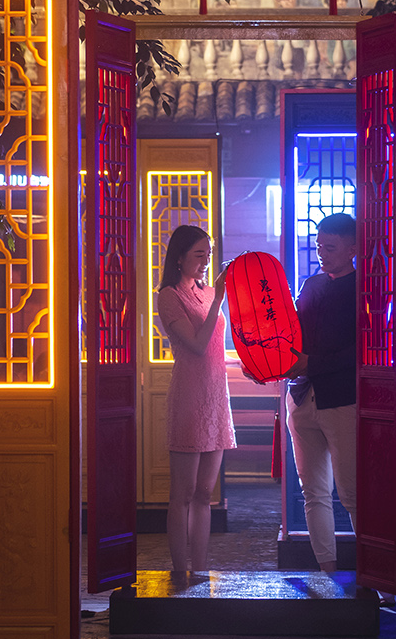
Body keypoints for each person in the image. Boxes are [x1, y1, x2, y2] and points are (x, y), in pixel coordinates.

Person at [157, 224, 236, 572]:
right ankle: (178, 570)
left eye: (208, 253)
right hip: (189, 398)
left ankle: (200, 570)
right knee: (183, 494)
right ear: (179, 257)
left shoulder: (206, 292)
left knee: (206, 493)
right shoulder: (169, 296)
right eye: (198, 254)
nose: (206, 261)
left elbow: (221, 344)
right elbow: (197, 345)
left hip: (216, 396)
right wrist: (219, 298)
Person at [286, 211, 357, 574]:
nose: (322, 253)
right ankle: (328, 572)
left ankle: (379, 578)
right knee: (313, 492)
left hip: (341, 398)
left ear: (353, 249)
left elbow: (358, 353)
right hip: (300, 396)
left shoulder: (363, 291)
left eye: (330, 247)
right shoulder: (312, 285)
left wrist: (308, 364)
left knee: (351, 493)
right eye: (318, 246)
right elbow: (293, 336)